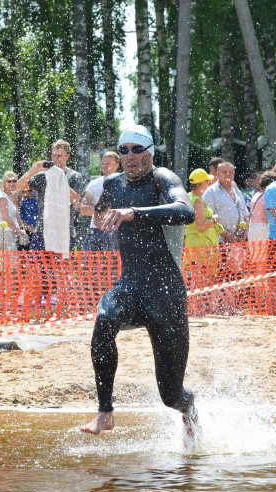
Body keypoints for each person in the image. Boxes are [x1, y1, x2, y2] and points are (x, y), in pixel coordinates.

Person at [79, 124, 198, 438]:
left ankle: (190, 410)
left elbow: (186, 211)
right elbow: (99, 210)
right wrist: (101, 215)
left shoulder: (163, 179)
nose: (130, 156)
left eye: (136, 149)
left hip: (166, 293)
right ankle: (105, 412)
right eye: (124, 150)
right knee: (104, 320)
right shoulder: (113, 184)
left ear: (149, 152)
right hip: (131, 285)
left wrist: (134, 212)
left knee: (171, 395)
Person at [16, 139, 85, 256]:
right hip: (42, 230)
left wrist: (60, 178)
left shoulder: (74, 176)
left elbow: (75, 200)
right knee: (36, 270)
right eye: (53, 155)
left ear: (67, 156)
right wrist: (33, 169)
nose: (55, 158)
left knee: (62, 272)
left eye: (59, 155)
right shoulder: (43, 175)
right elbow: (19, 186)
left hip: (64, 232)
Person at [79, 151, 121, 251]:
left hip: (115, 229)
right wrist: (100, 209)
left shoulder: (123, 181)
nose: (105, 166)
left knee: (112, 263)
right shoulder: (94, 183)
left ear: (117, 165)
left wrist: (100, 210)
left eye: (108, 164)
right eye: (103, 163)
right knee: (86, 262)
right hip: (94, 229)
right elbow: (83, 209)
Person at [202, 162, 248, 243]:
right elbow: (209, 218)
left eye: (231, 172)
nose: (228, 174)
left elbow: (245, 214)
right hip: (219, 241)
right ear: (218, 173)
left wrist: (245, 233)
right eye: (224, 172)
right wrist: (227, 235)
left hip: (239, 240)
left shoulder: (237, 190)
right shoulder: (210, 191)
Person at [184, 168, 222, 247]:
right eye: (207, 181)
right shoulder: (197, 202)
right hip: (201, 244)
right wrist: (214, 219)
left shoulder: (188, 197)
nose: (208, 183)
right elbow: (201, 226)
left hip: (194, 242)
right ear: (202, 183)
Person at [0, 170, 26, 251]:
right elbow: (6, 218)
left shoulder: (9, 196)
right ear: (4, 183)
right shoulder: (2, 197)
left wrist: (21, 228)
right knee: (11, 262)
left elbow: (16, 215)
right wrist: (19, 231)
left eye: (14, 181)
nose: (12, 183)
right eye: (9, 181)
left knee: (13, 262)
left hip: (10, 233)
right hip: (6, 234)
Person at [247, 171, 276, 242]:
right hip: (263, 229)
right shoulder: (268, 195)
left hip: (252, 229)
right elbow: (266, 217)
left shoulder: (256, 194)